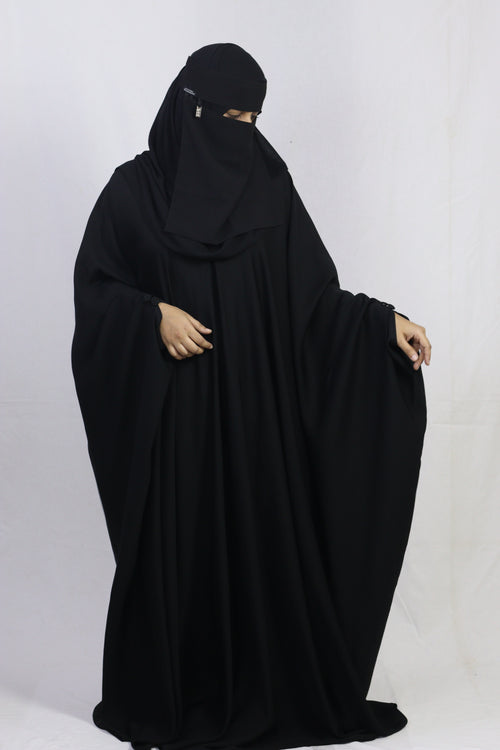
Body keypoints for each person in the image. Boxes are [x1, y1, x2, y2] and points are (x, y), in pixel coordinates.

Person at [71, 42, 430, 750]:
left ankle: (270, 684)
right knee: (183, 553)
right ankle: (183, 690)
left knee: (263, 548)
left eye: (253, 120)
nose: (242, 134)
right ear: (190, 111)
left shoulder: (268, 181)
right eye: (229, 117)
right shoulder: (133, 192)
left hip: (259, 420)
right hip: (177, 425)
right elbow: (98, 292)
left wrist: (379, 322)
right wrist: (151, 316)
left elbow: (311, 299)